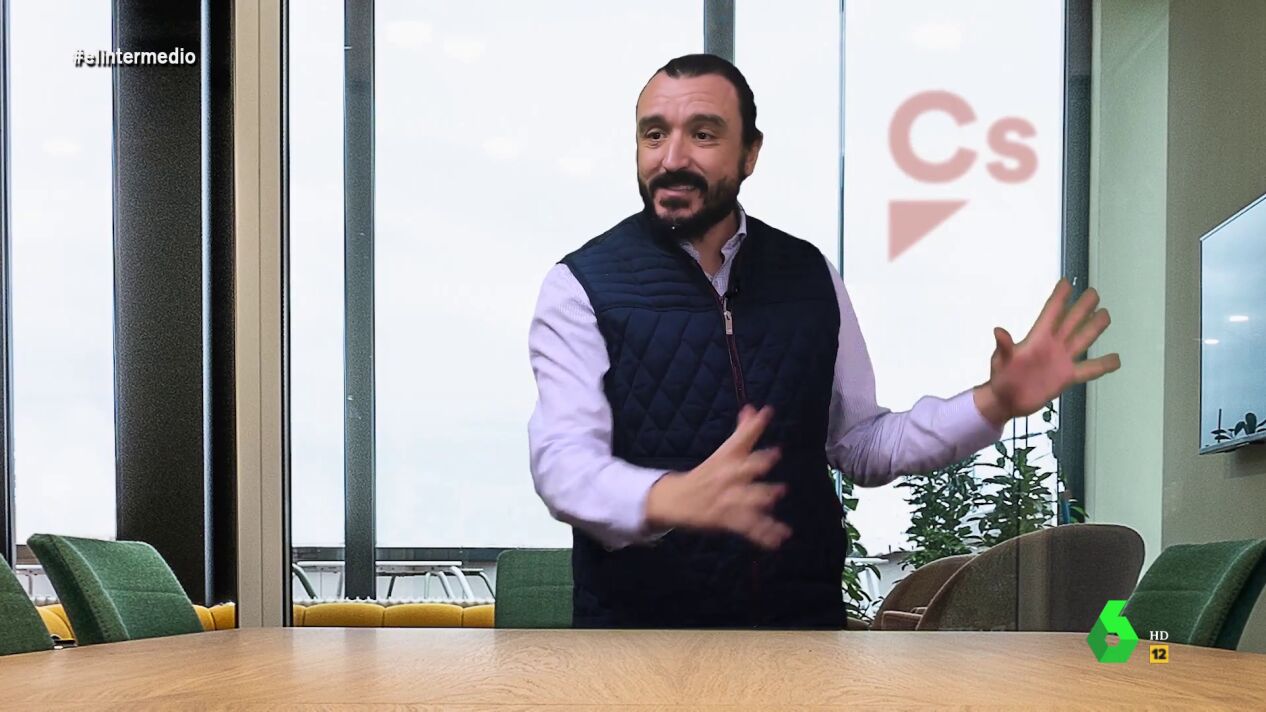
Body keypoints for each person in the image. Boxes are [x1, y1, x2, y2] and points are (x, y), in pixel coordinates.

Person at [526, 54, 1120, 629]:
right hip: (638, 647)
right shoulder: (581, 285)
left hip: (802, 637)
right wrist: (664, 498)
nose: (672, 157)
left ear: (750, 153)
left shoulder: (809, 275)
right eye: (654, 135)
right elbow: (563, 463)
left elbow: (860, 443)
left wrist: (994, 402)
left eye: (703, 135)